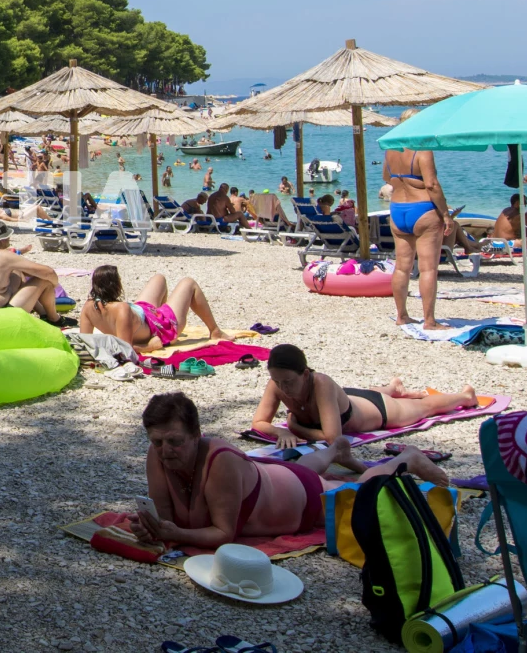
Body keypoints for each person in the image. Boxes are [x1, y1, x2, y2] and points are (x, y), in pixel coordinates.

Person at [130, 392, 453, 548]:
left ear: (196, 435)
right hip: (275, 477)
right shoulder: (157, 455)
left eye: (175, 441)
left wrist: (172, 534)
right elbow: (166, 519)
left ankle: (406, 459)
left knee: (359, 495)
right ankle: (334, 451)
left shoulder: (220, 462)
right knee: (299, 469)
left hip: (303, 498)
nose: (165, 450)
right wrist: (154, 529)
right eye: (157, 442)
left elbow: (223, 534)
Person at [251, 344, 479, 446]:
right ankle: (393, 387)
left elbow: (333, 438)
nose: (283, 388)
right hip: (348, 399)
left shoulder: (321, 383)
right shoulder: (276, 383)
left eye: (289, 382)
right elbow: (258, 422)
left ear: (305, 374)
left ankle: (466, 396)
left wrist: (294, 427)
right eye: (278, 381)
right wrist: (280, 430)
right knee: (356, 394)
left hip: (377, 411)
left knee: (425, 407)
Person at [383, 122, 453, 329]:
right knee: (428, 268)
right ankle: (429, 320)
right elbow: (432, 184)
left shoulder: (391, 150)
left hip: (398, 209)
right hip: (422, 209)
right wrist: (446, 214)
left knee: (402, 267)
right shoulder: (422, 150)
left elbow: (387, 177)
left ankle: (402, 316)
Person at [78, 265, 221, 349]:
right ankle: (215, 331)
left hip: (144, 313)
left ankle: (164, 310)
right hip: (161, 327)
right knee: (189, 283)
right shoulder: (122, 309)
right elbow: (125, 350)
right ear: (115, 285)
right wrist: (150, 347)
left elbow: (85, 343)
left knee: (159, 278)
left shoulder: (88, 307)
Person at [0, 246, 64, 322]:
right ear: (3, 239)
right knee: (45, 280)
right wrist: (53, 286)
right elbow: (49, 273)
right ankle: (54, 319)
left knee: (16, 272)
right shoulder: (4, 256)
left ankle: (43, 313)